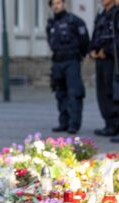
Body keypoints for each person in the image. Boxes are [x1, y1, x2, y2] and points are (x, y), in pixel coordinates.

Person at [47, 0, 90, 134]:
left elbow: (85, 41)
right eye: (53, 3)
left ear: (64, 4)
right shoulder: (51, 23)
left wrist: (80, 56)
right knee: (60, 93)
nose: (56, 6)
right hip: (57, 61)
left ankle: (74, 124)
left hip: (72, 61)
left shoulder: (75, 21)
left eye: (58, 3)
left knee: (74, 93)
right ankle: (63, 122)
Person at [91, 0, 119, 138]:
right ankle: (109, 124)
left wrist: (106, 51)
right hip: (100, 59)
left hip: (112, 60)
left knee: (112, 91)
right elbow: (95, 35)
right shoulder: (101, 15)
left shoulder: (116, 13)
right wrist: (92, 50)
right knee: (101, 92)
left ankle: (115, 125)